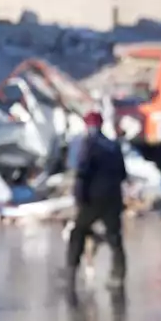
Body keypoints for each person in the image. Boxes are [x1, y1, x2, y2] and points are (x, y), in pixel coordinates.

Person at [67, 111, 128, 289]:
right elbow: (123, 174)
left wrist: (79, 197)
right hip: (113, 198)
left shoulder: (88, 144)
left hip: (92, 199)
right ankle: (118, 274)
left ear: (86, 126)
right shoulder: (113, 145)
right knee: (115, 237)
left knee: (77, 232)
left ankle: (71, 273)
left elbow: (82, 172)